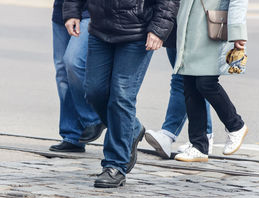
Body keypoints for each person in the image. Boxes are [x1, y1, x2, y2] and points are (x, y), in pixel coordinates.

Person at [63, 0, 179, 187]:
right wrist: (71, 11)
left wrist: (158, 28)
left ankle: (115, 165)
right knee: (94, 92)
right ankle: (132, 128)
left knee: (121, 97)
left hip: (137, 32)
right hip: (100, 28)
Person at [173, 0, 248, 162]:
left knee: (206, 84)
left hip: (212, 28)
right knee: (190, 87)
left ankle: (236, 125)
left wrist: (237, 32)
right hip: (188, 29)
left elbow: (238, 2)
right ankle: (199, 146)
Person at [49, 0, 104, 153]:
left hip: (88, 10)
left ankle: (95, 118)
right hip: (62, 9)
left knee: (72, 62)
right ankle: (73, 136)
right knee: (62, 73)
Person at [145, 43, 214, 159]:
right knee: (192, 78)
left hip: (191, 31)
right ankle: (205, 136)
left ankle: (168, 133)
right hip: (174, 30)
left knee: (184, 77)